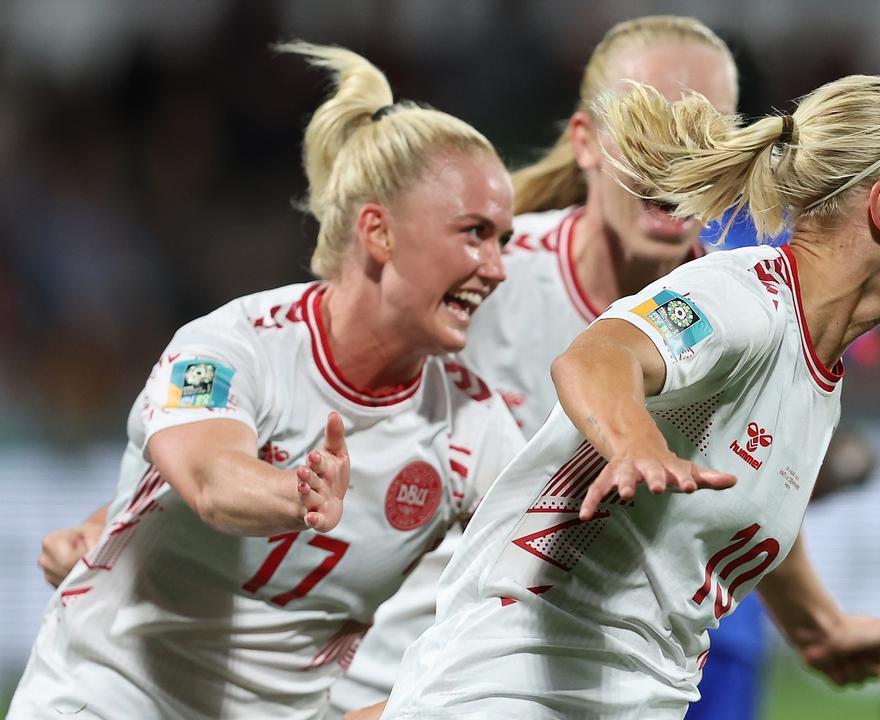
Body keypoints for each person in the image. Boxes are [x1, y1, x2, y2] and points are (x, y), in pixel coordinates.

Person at [380, 71, 880, 719]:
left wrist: (820, 627)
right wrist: (635, 443)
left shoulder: (814, 371)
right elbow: (598, 356)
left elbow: (737, 504)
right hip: (508, 691)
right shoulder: (746, 298)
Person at [11, 42, 524, 719]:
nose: (495, 267)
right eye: (474, 233)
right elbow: (210, 480)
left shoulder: (473, 428)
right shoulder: (229, 350)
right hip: (106, 698)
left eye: (504, 241)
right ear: (379, 232)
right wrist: (295, 495)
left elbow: (536, 594)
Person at [330, 16, 772, 720]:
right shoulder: (482, 277)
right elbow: (321, 406)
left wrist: (819, 620)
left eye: (706, 136)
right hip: (404, 681)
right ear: (585, 144)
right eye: (644, 130)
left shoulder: (745, 321)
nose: (675, 159)